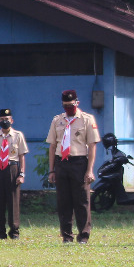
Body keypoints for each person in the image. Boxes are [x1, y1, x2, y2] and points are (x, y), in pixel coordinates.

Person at [46, 88, 100, 243]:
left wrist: (89, 170)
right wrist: (52, 170)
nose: (68, 108)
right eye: (65, 105)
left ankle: (83, 235)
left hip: (79, 162)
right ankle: (66, 236)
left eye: (71, 105)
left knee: (82, 200)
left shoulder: (86, 119)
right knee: (64, 201)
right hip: (61, 163)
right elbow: (52, 146)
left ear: (77, 103)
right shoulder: (58, 120)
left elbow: (92, 146)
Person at [0, 108, 28, 240]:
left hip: (12, 168)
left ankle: (14, 232)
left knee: (13, 201)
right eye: (2, 119)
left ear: (11, 120)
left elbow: (22, 156)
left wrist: (21, 174)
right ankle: (0, 232)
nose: (4, 121)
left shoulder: (18, 135)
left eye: (7, 119)